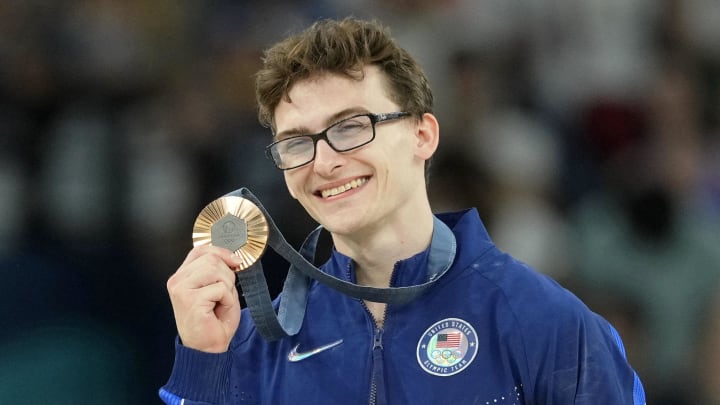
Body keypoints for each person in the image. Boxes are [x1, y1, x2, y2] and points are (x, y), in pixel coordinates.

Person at [159, 17, 646, 404]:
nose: (324, 162)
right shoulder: (252, 347)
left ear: (423, 135)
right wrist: (203, 363)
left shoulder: (544, 323)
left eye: (350, 127)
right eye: (296, 143)